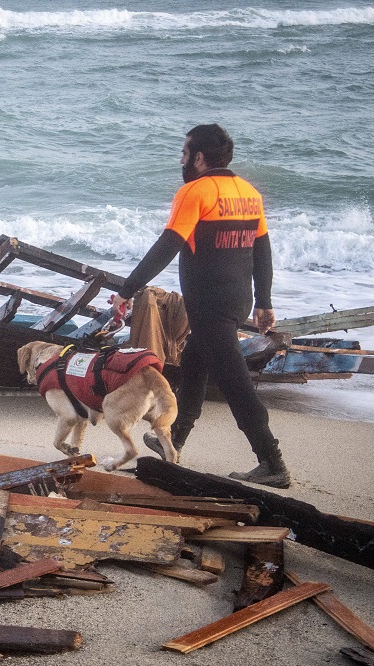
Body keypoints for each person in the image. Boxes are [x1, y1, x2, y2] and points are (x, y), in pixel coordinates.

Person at [111, 124, 290, 488]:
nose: (181, 159)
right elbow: (262, 249)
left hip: (210, 304)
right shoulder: (248, 192)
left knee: (235, 384)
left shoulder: (195, 191)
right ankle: (173, 440)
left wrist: (127, 290)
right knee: (194, 362)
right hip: (237, 300)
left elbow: (167, 245)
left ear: (199, 157)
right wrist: (264, 301)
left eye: (184, 152)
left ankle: (272, 462)